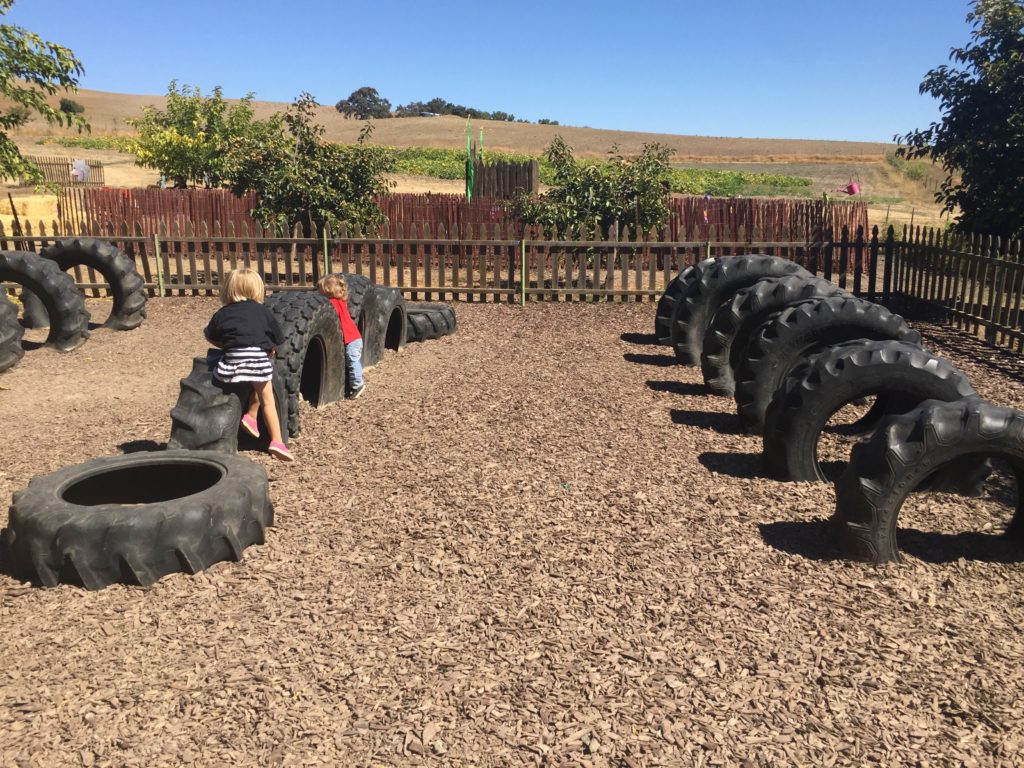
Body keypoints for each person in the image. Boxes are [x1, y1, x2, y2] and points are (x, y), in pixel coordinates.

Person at [204, 268, 294, 462]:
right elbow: (278, 338)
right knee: (267, 398)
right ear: (257, 289)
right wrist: (269, 349)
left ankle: (250, 417)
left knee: (253, 378)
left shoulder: (222, 313)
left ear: (229, 289)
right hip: (257, 363)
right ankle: (277, 441)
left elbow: (210, 336)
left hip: (231, 366)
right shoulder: (263, 312)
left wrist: (227, 346)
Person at [317, 274, 365, 399]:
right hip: (355, 337)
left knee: (352, 360)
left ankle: (358, 385)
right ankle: (353, 383)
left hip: (352, 339)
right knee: (352, 360)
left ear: (328, 291)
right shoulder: (341, 302)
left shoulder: (332, 303)